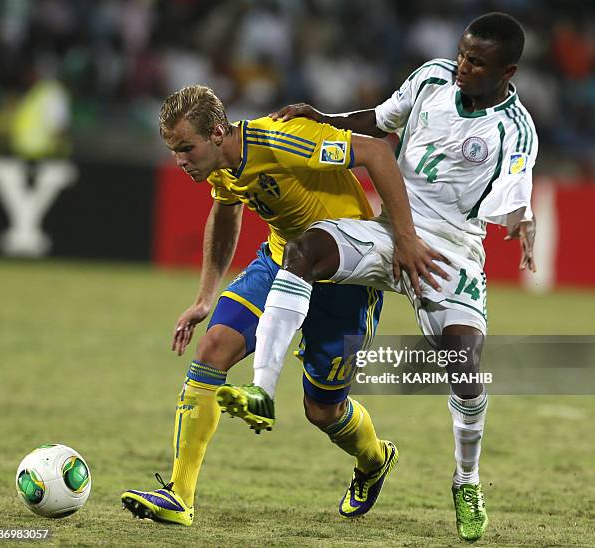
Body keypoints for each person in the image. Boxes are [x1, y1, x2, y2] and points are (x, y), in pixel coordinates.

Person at [219, 12, 538, 542]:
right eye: (461, 54)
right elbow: (382, 119)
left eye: (476, 62)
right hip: (392, 226)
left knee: (465, 367)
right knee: (303, 252)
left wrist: (524, 218)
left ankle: (466, 479)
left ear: (508, 72)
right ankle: (261, 390)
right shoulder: (434, 75)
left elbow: (516, 192)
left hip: (451, 251)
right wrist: (326, 118)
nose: (462, 66)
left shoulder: (516, 129)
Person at [120, 84, 447, 526]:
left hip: (344, 274)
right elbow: (226, 212)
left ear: (217, 132)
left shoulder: (281, 139)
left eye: (185, 148)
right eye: (174, 150)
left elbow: (376, 153)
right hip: (281, 260)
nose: (180, 161)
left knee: (322, 411)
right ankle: (179, 495)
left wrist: (405, 239)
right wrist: (204, 297)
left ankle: (374, 459)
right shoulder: (219, 163)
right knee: (213, 348)